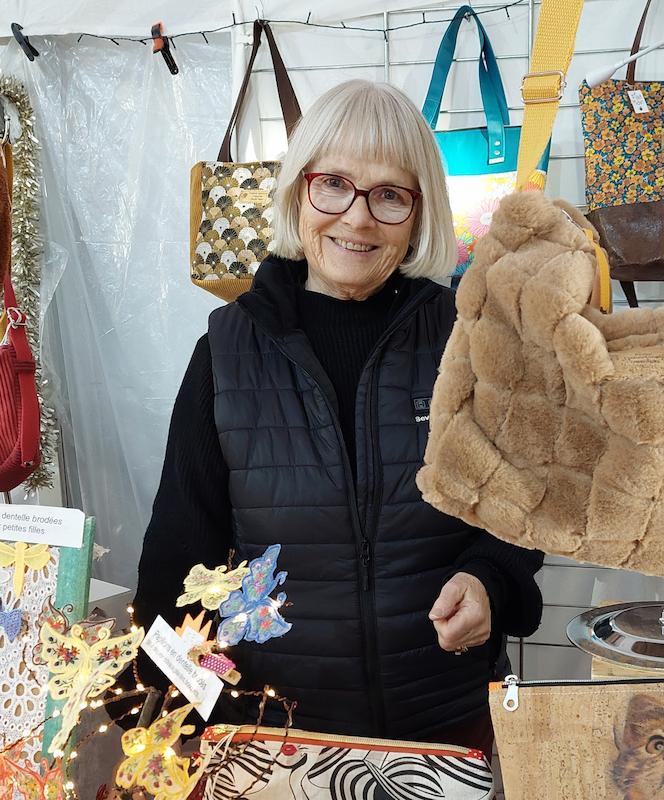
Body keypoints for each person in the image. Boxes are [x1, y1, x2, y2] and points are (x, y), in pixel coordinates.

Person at [134, 79, 543, 753]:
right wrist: (179, 729)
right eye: (334, 184)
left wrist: (490, 580)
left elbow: (520, 507)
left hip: (443, 734)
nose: (356, 219)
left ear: (419, 214)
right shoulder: (227, 353)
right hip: (277, 741)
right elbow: (182, 555)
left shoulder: (467, 341)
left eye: (388, 195)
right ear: (300, 190)